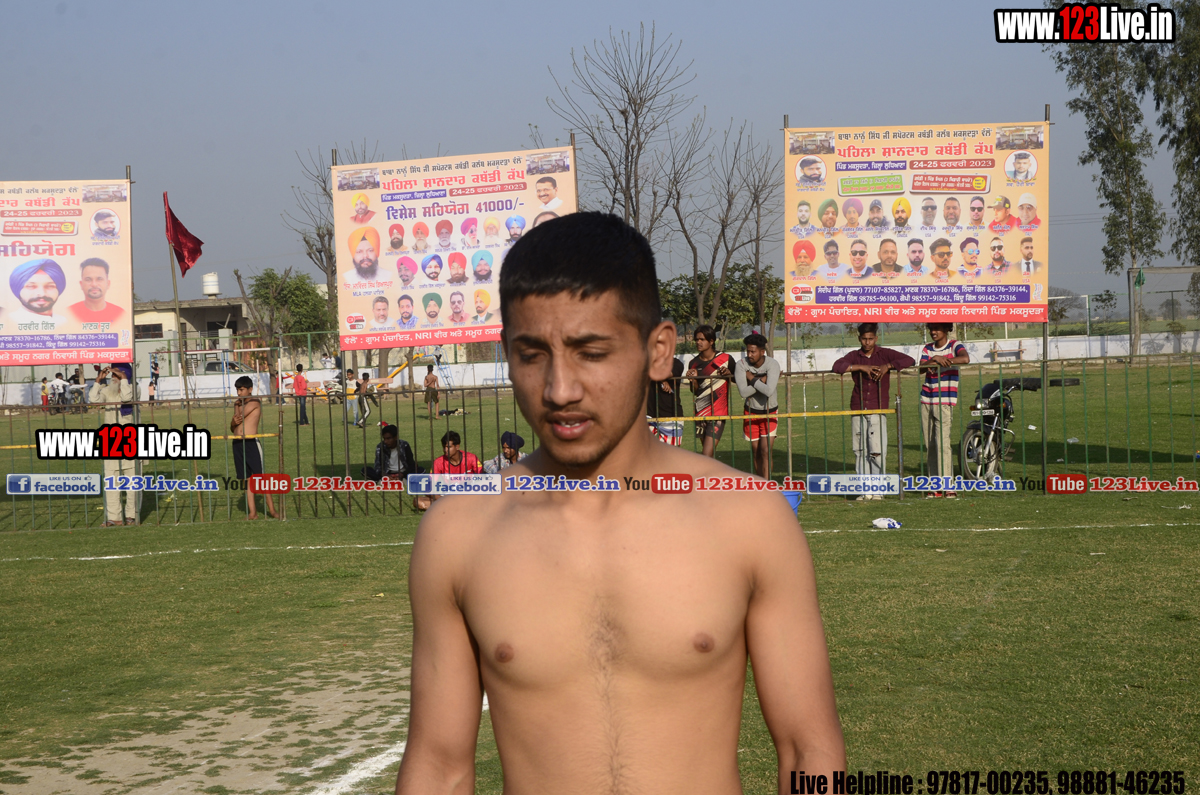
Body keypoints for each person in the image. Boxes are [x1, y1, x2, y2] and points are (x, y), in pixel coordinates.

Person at [395, 212, 843, 794]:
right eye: (532, 355)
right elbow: (439, 765)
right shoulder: (457, 532)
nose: (559, 389)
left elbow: (809, 749)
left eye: (591, 352)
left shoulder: (749, 518)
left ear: (658, 351)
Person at [831, 323, 915, 493]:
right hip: (858, 407)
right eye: (864, 339)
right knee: (859, 450)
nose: (867, 342)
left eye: (870, 339)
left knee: (877, 450)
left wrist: (887, 366)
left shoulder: (884, 354)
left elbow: (910, 360)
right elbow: (837, 366)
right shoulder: (855, 355)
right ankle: (864, 490)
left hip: (878, 408)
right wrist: (861, 367)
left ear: (876, 338)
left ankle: (878, 489)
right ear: (859, 339)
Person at [919, 323, 970, 498]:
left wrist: (945, 360)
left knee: (943, 444)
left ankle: (948, 486)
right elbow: (921, 368)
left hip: (945, 401)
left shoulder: (955, 345)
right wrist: (934, 359)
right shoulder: (927, 348)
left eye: (937, 329)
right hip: (926, 400)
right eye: (931, 329)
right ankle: (935, 486)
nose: (933, 332)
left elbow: (965, 358)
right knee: (930, 445)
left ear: (947, 329)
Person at [90, 364, 139, 525]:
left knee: (132, 481)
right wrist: (98, 381)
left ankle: (132, 515)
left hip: (130, 441)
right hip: (111, 441)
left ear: (126, 375)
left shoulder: (133, 389)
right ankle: (114, 518)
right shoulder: (107, 390)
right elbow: (94, 399)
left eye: (117, 374)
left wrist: (123, 378)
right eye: (113, 374)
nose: (114, 377)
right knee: (111, 480)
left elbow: (126, 398)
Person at [229, 375, 278, 519]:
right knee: (246, 479)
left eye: (242, 390)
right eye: (237, 390)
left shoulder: (255, 402)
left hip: (251, 443)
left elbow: (240, 416)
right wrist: (233, 421)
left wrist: (237, 410)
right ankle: (253, 512)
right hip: (237, 443)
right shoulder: (237, 403)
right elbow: (234, 426)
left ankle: (272, 511)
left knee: (260, 478)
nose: (239, 393)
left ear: (250, 389)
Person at [735, 332, 781, 480]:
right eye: (748, 351)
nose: (749, 355)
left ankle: (767, 484)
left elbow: (768, 391)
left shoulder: (772, 364)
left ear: (762, 352)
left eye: (753, 352)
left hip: (770, 412)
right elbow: (743, 392)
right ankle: (760, 483)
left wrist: (752, 379)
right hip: (750, 412)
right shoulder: (741, 365)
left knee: (766, 451)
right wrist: (762, 380)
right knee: (756, 452)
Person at [686, 324, 734, 458]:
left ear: (711, 341)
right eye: (697, 339)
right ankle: (713, 472)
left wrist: (729, 374)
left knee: (706, 454)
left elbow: (738, 379)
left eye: (702, 339)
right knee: (708, 456)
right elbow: (695, 391)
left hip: (718, 413)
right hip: (700, 412)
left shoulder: (725, 359)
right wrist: (693, 381)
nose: (698, 342)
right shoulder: (693, 363)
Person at [9, 258, 68, 328]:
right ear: (18, 289)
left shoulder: (65, 322)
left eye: (50, 286)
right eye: (31, 286)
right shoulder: (9, 322)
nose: (42, 293)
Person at [68, 258, 125, 323]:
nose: (94, 284)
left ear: (108, 284)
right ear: (81, 284)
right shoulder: (69, 314)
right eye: (88, 279)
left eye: (99, 279)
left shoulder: (121, 314)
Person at [646, 355, 685, 445]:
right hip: (651, 417)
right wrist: (662, 380)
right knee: (645, 451)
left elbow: (667, 374)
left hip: (671, 418)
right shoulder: (649, 364)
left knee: (671, 452)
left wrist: (661, 379)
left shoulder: (676, 363)